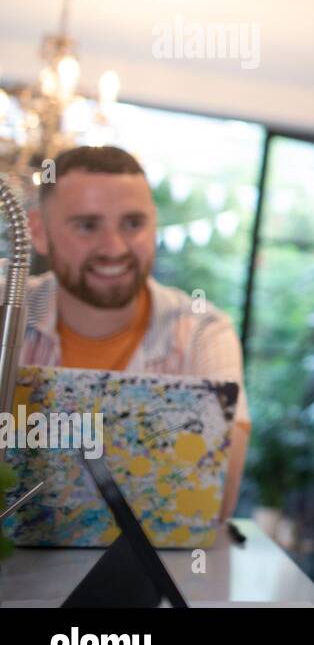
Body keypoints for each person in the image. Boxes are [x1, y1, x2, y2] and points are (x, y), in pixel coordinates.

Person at [18, 145, 250, 520]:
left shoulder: (203, 332)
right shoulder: (6, 308)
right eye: (87, 226)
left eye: (133, 224)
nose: (114, 248)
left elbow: (214, 500)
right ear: (40, 233)